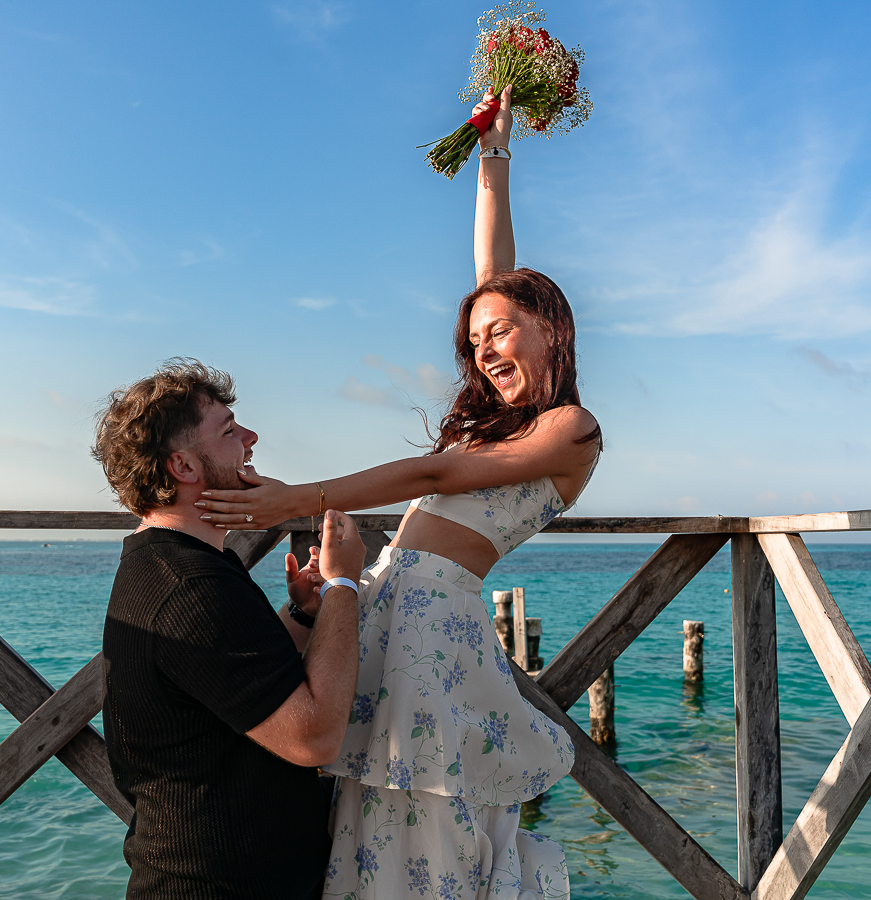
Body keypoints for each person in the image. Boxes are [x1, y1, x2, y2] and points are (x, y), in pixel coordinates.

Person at [194, 87, 600, 899]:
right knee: (363, 833)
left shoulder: (570, 430)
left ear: (549, 328)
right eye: (475, 340)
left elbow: (436, 476)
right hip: (384, 609)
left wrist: (295, 499)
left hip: (435, 637)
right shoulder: (497, 418)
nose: (485, 351)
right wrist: (495, 150)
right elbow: (494, 274)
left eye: (502, 333)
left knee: (428, 840)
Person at [94, 359, 367, 900]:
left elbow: (242, 687)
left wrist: (307, 614)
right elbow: (313, 737)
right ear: (184, 467)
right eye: (228, 431)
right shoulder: (189, 586)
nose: (250, 438)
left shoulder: (176, 565)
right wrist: (344, 587)